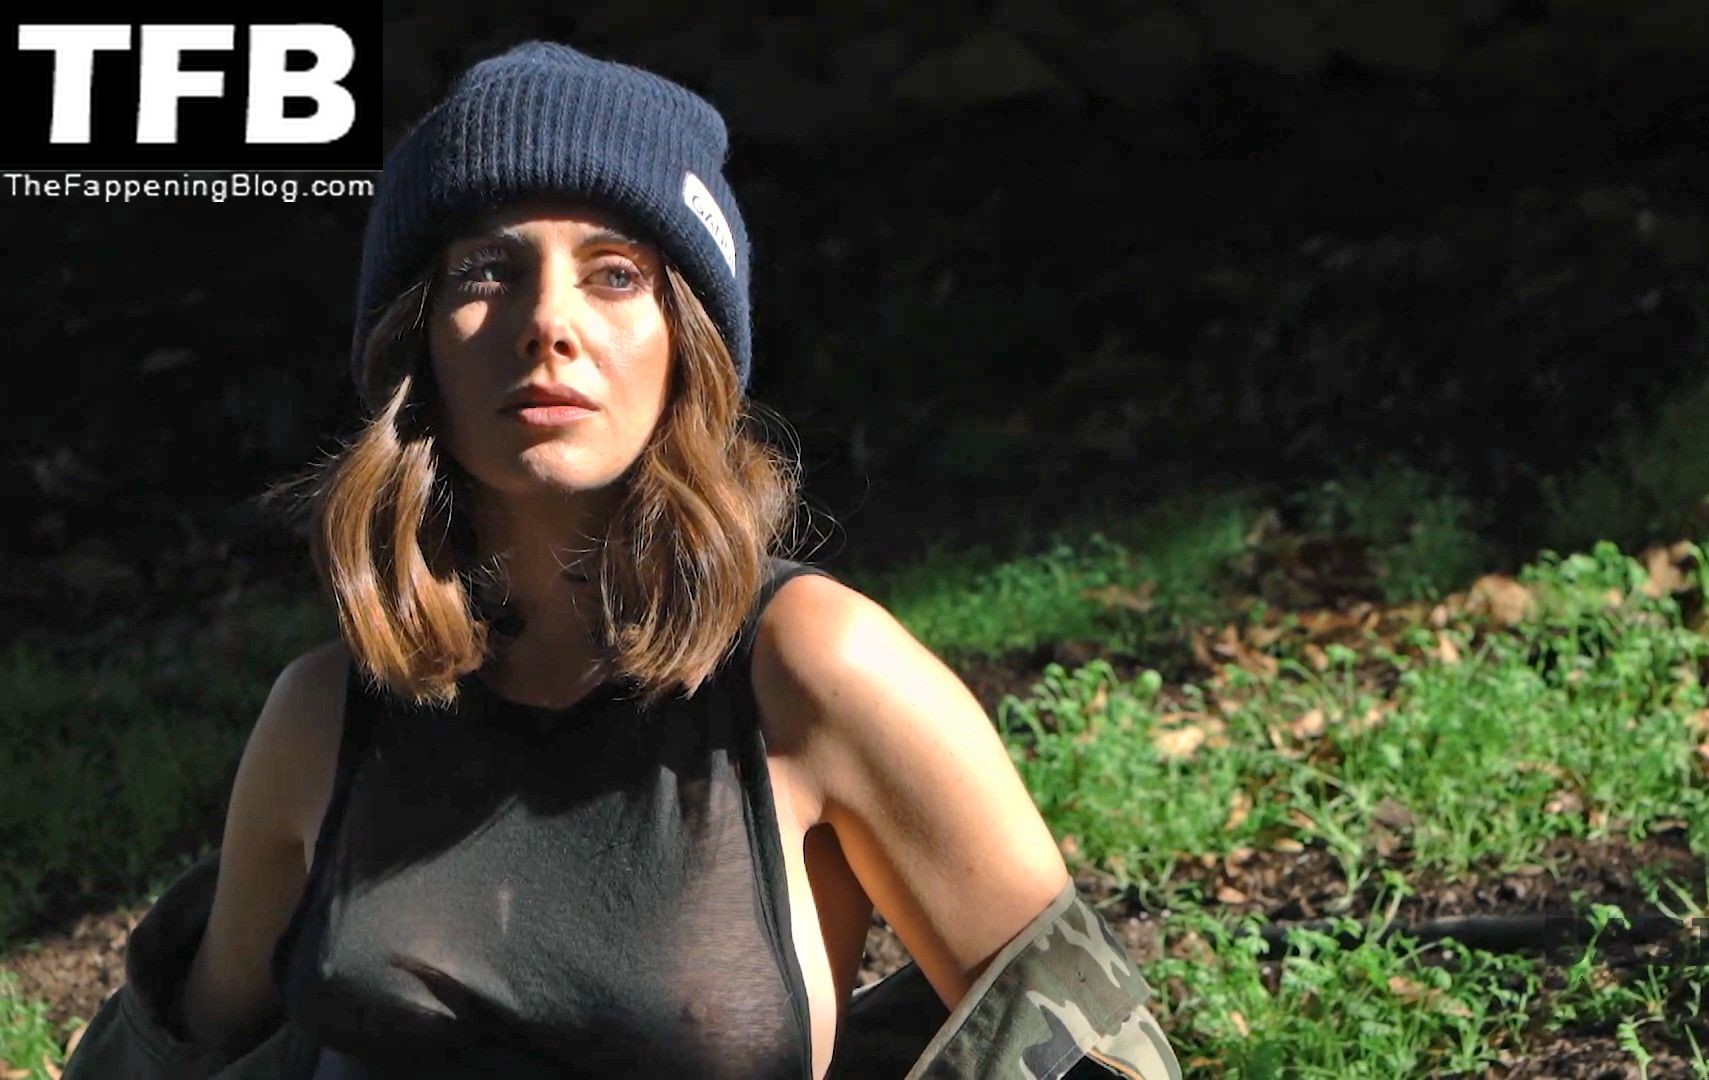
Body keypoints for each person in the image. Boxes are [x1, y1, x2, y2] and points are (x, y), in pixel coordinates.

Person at [71, 39, 1180, 1079]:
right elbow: (177, 1054)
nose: (546, 323)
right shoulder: (326, 717)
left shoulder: (817, 670)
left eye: (613, 275)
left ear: (689, 340)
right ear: (417, 341)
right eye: (485, 272)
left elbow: (1097, 1055)